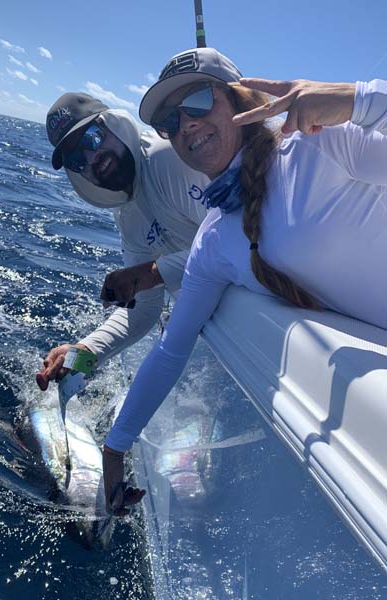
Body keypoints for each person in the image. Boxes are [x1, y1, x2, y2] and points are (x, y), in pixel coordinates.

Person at [102, 47, 387, 513]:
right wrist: (115, 449)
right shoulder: (212, 240)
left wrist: (359, 100)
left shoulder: (320, 141)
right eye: (170, 122)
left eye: (197, 101)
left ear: (237, 99)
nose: (185, 125)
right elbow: (172, 349)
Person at [36, 91, 209, 391]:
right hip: (213, 334)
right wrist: (81, 354)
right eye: (77, 159)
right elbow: (143, 312)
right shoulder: (128, 216)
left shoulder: (166, 158)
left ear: (112, 125)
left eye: (92, 138)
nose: (92, 158)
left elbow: (240, 244)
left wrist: (149, 273)